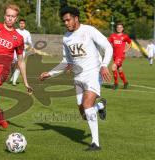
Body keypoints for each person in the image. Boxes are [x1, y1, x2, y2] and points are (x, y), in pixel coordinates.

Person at [39, 7, 113, 151]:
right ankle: (101, 106)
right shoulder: (66, 37)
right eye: (64, 21)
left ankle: (95, 143)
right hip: (78, 77)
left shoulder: (89, 31)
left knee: (86, 105)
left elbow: (108, 47)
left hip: (93, 74)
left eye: (68, 19)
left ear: (76, 18)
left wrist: (104, 65)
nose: (66, 23)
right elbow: (67, 61)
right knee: (85, 113)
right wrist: (50, 73)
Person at [10, 19, 34, 86]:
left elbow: (30, 41)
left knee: (19, 66)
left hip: (22, 51)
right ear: (19, 24)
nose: (22, 24)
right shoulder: (15, 31)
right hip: (14, 50)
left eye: (23, 23)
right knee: (12, 64)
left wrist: (32, 47)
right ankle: (12, 77)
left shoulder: (27, 32)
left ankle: (14, 81)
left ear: (25, 24)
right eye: (20, 23)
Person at [108, 22, 132, 90]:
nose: (119, 28)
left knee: (113, 68)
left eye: (120, 27)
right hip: (115, 56)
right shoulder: (113, 36)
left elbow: (130, 43)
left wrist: (126, 50)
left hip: (121, 56)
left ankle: (116, 83)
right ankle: (125, 82)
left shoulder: (125, 36)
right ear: (116, 28)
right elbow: (107, 43)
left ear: (123, 28)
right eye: (118, 27)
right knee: (120, 70)